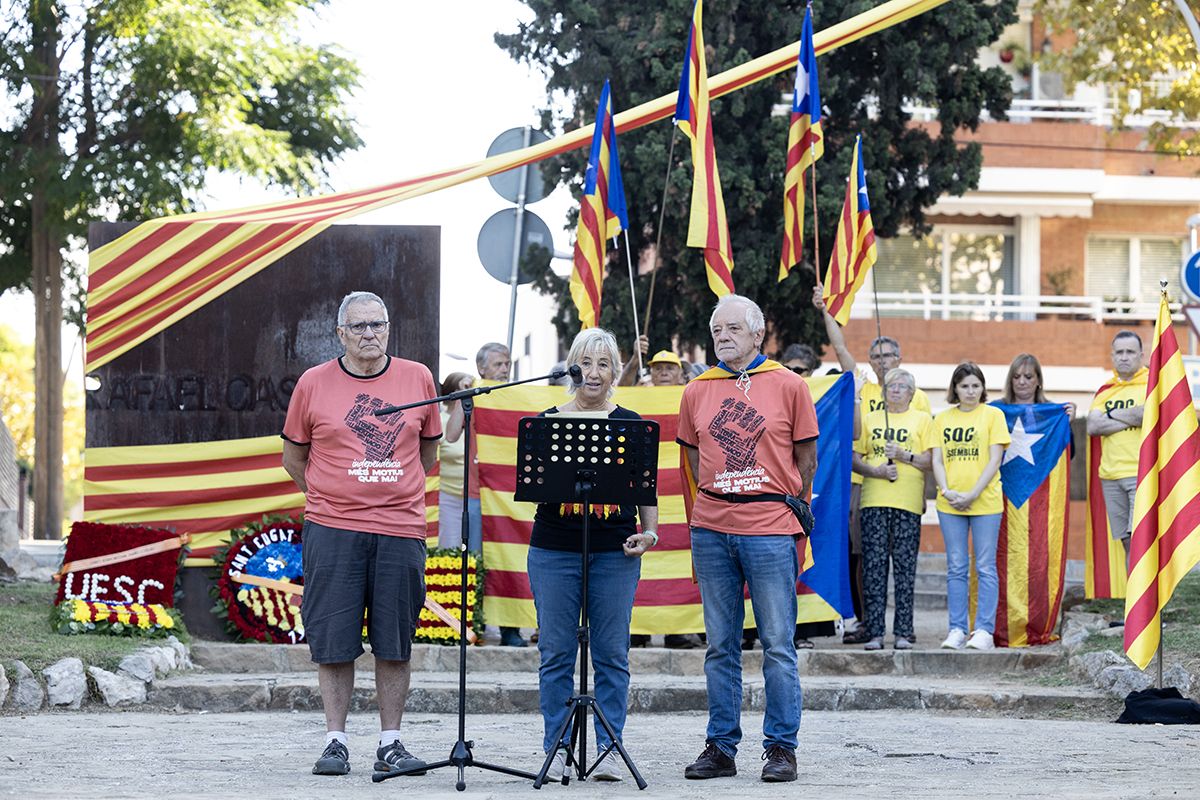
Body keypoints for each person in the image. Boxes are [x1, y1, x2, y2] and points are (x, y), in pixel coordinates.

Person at [281, 291, 441, 777]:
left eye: (378, 325)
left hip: (400, 529)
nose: (370, 334)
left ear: (389, 328)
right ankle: (335, 741)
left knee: (395, 641)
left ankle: (391, 743)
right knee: (334, 640)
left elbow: (427, 453)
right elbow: (294, 458)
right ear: (341, 334)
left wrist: (387, 490)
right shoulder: (313, 383)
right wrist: (335, 499)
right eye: (359, 327)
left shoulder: (418, 378)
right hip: (333, 530)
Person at [678, 294, 816, 783]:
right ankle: (720, 746)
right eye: (717, 330)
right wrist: (717, 500)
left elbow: (806, 459)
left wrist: (780, 500)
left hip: (770, 528)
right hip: (713, 527)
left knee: (778, 643)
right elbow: (692, 462)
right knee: (720, 644)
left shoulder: (790, 384)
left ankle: (781, 748)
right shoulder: (697, 390)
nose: (723, 337)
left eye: (733, 329)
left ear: (758, 334)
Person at [527, 327, 659, 782]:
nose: (595, 372)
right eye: (587, 362)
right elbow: (535, 484)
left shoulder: (631, 422)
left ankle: (607, 746)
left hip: (614, 551)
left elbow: (646, 488)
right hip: (553, 548)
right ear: (572, 367)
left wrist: (651, 532)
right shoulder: (547, 420)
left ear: (616, 370)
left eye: (605, 363)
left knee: (611, 652)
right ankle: (558, 745)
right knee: (556, 652)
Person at [930, 362, 1010, 651]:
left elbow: (994, 459)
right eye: (964, 386)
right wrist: (947, 490)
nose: (970, 391)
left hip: (985, 502)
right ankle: (957, 629)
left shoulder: (993, 415)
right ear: (955, 389)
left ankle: (984, 631)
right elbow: (936, 460)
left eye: (976, 385)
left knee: (985, 566)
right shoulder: (941, 419)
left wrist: (973, 493)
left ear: (983, 388)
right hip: (950, 503)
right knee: (956, 566)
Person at [852, 368, 933, 651]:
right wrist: (875, 471)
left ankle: (904, 631)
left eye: (902, 386)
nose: (896, 390)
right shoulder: (871, 419)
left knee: (904, 569)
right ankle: (875, 631)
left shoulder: (923, 420)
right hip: (874, 501)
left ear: (912, 393)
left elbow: (930, 462)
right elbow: (854, 458)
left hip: (907, 503)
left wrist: (903, 455)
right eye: (891, 386)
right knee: (873, 568)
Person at [469, 341, 527, 647]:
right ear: (481, 368)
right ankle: (473, 623)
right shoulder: (475, 395)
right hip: (477, 493)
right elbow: (452, 435)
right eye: (498, 364)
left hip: (509, 494)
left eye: (507, 364)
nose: (505, 369)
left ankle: (510, 627)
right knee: (479, 560)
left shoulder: (518, 396)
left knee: (510, 558)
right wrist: (466, 400)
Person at [1085, 332, 1147, 567]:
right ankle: (1135, 601)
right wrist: (1130, 417)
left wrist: (1109, 416)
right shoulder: (1105, 391)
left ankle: (1145, 603)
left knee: (1140, 541)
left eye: (1130, 352)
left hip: (1141, 474)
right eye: (1119, 352)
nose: (1124, 357)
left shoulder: (1152, 384)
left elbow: (1147, 414)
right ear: (1112, 356)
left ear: (1141, 355)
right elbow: (1092, 426)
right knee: (1127, 542)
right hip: (1110, 476)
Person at [437, 372, 473, 548]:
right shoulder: (441, 421)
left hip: (476, 497)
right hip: (449, 497)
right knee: (450, 548)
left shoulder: (478, 421)